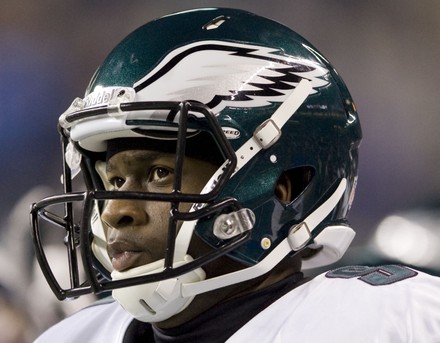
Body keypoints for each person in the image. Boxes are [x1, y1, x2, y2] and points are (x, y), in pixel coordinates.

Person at [31, 7, 440, 342]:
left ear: (285, 188)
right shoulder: (72, 337)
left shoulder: (395, 322)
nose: (114, 211)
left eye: (159, 173)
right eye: (115, 181)